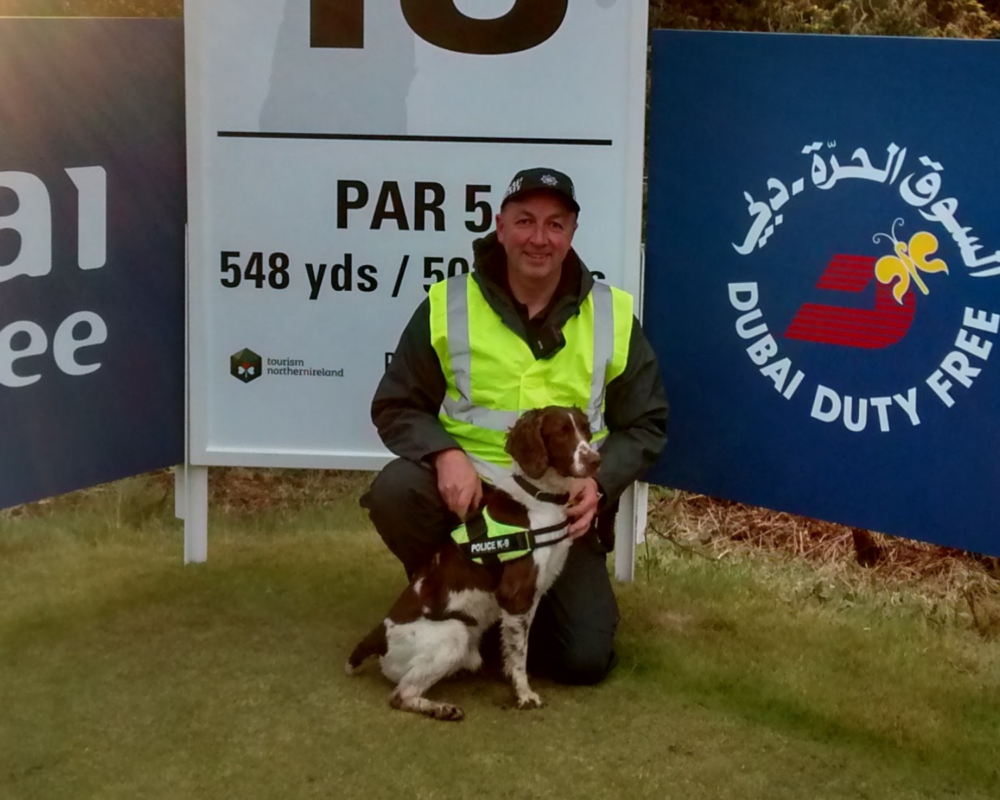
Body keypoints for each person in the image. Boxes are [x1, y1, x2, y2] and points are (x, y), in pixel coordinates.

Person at [360, 167, 668, 685]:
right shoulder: (448, 304)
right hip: (472, 501)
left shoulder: (611, 315)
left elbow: (646, 423)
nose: (538, 238)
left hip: (557, 510)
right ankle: (447, 602)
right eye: (525, 221)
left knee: (583, 659)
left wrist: (599, 481)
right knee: (396, 490)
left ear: (571, 234)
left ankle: (505, 615)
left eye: (554, 224)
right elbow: (397, 404)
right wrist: (443, 453)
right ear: (500, 228)